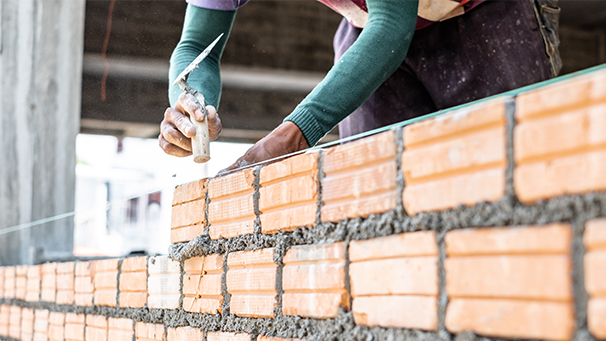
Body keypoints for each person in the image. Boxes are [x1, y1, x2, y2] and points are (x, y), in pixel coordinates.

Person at [159, 0, 561, 170]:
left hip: (481, 12)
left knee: (516, 172)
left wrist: (295, 134)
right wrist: (191, 105)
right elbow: (197, 47)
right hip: (370, 24)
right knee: (372, 200)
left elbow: (393, 26)